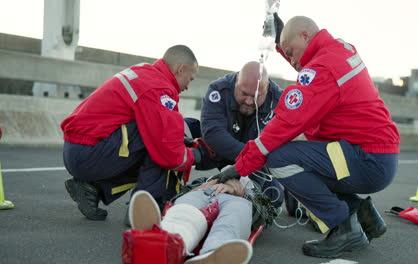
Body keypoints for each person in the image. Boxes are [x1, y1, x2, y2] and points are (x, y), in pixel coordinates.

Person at [219, 16, 400, 258]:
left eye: (291, 52)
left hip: (365, 159)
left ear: (305, 36)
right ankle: (364, 216)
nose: (292, 60)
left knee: (280, 158)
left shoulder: (321, 70)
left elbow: (285, 123)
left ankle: (342, 226)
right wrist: (281, 40)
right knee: (310, 161)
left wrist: (240, 166)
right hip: (374, 154)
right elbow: (308, 64)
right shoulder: (340, 49)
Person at [61, 45, 202, 221]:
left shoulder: (145, 73)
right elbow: (168, 152)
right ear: (180, 69)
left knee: (154, 138)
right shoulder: (157, 88)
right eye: (190, 79)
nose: (188, 86)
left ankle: (92, 188)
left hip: (80, 148)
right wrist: (195, 155)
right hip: (88, 152)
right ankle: (141, 213)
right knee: (159, 144)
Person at [200, 61, 284, 208]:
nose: (250, 101)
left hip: (255, 163)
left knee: (274, 198)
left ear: (267, 88)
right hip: (221, 153)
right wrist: (248, 156)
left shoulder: (279, 101)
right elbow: (213, 133)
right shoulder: (219, 90)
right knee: (187, 131)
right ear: (236, 81)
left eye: (257, 96)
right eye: (244, 94)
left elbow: (283, 143)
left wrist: (249, 163)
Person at [124, 176, 259, 264]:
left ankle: (213, 252)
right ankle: (164, 239)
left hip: (239, 199)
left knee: (231, 219)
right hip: (204, 191)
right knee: (184, 212)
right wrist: (211, 183)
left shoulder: (261, 180)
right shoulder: (211, 176)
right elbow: (185, 191)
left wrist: (241, 192)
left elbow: (265, 211)